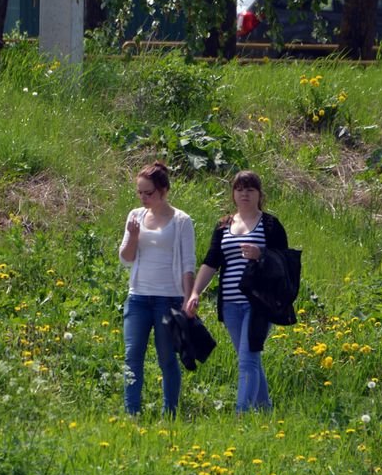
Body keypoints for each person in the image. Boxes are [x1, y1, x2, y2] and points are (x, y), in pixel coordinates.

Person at [186, 170, 289, 413]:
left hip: (259, 304)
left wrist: (261, 254)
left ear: (259, 194)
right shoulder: (223, 225)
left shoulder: (271, 225)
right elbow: (211, 262)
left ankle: (241, 415)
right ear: (233, 194)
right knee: (249, 359)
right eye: (240, 189)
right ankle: (265, 411)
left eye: (250, 189)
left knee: (247, 360)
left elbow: (285, 262)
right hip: (231, 305)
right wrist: (195, 292)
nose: (245, 194)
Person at [118, 162, 196, 416]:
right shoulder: (135, 216)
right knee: (132, 356)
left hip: (169, 299)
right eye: (139, 192)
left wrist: (189, 298)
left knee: (166, 358)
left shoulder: (181, 221)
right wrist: (132, 236)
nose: (143, 198)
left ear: (164, 190)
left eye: (148, 193)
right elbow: (126, 258)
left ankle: (170, 414)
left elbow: (187, 263)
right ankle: (132, 413)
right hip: (138, 297)